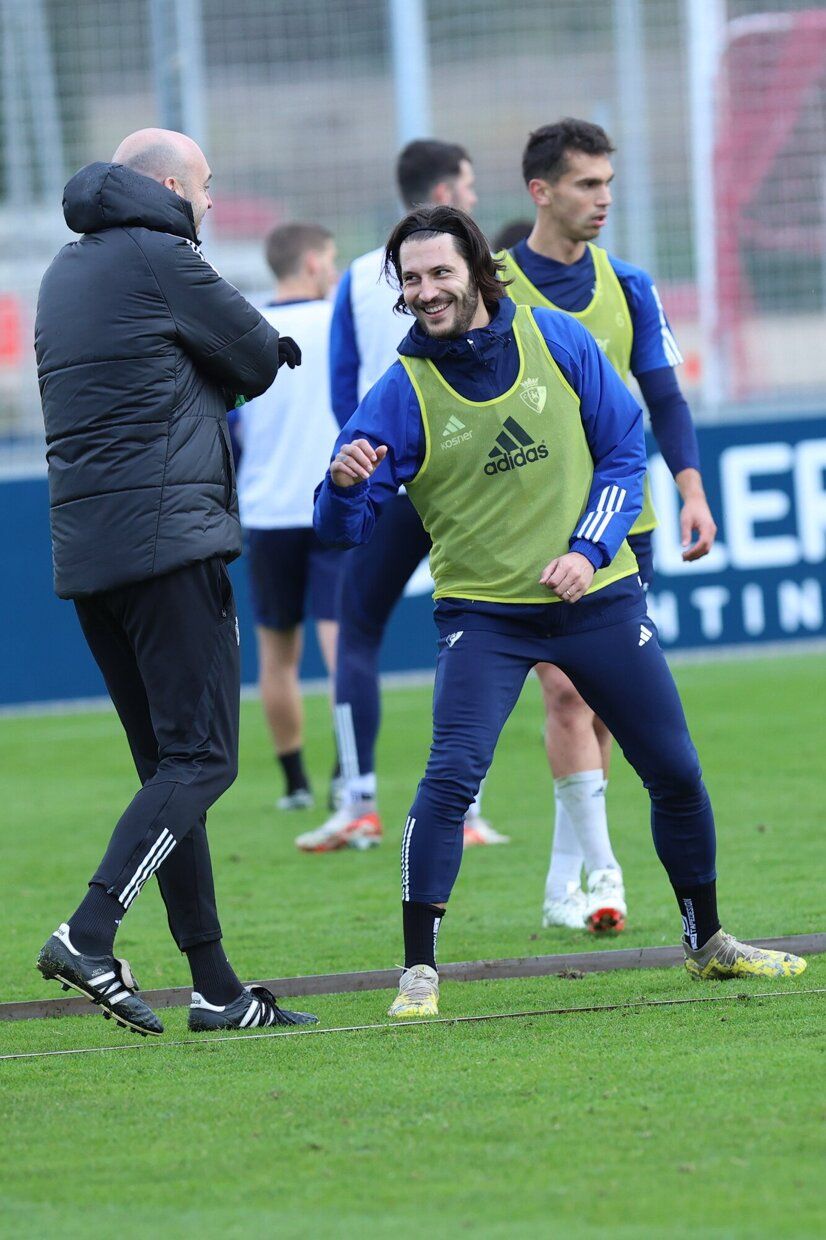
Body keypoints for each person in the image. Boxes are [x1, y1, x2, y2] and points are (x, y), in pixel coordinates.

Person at [314, 204, 806, 1018]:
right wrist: (339, 488)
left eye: (441, 272)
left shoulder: (556, 339)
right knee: (449, 779)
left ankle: (707, 942)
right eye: (411, 279)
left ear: (476, 268)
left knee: (676, 771)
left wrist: (587, 546)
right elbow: (343, 533)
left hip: (599, 597)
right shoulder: (400, 393)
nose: (428, 290)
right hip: (486, 618)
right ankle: (418, 974)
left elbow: (624, 445)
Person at [34, 128, 316, 1036]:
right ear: (163, 185)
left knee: (168, 770)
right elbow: (258, 356)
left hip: (92, 560)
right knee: (203, 762)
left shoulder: (64, 270)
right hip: (168, 547)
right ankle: (89, 930)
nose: (208, 202)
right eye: (203, 187)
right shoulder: (161, 257)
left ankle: (216, 988)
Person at [496, 119, 718, 933]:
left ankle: (567, 879)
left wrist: (691, 490)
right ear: (541, 192)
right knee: (562, 688)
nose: (604, 200)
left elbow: (664, 394)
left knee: (599, 705)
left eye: (609, 184)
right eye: (588, 184)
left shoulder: (629, 283)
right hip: (531, 526)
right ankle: (605, 869)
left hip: (627, 520)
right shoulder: (492, 284)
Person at [297, 138, 507, 852]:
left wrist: (365, 471)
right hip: (466, 479)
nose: (475, 198)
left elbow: (341, 386)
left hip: (388, 479)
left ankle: (359, 803)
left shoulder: (359, 274)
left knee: (358, 632)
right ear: (447, 187)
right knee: (484, 629)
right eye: (470, 187)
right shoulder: (478, 268)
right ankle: (469, 809)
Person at [235, 222, 344, 812]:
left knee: (278, 655)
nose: (333, 268)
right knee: (341, 646)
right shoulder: (338, 323)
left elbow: (229, 425)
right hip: (332, 501)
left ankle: (296, 783)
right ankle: (349, 775)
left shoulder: (244, 327)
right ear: (309, 262)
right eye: (329, 258)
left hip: (267, 509)